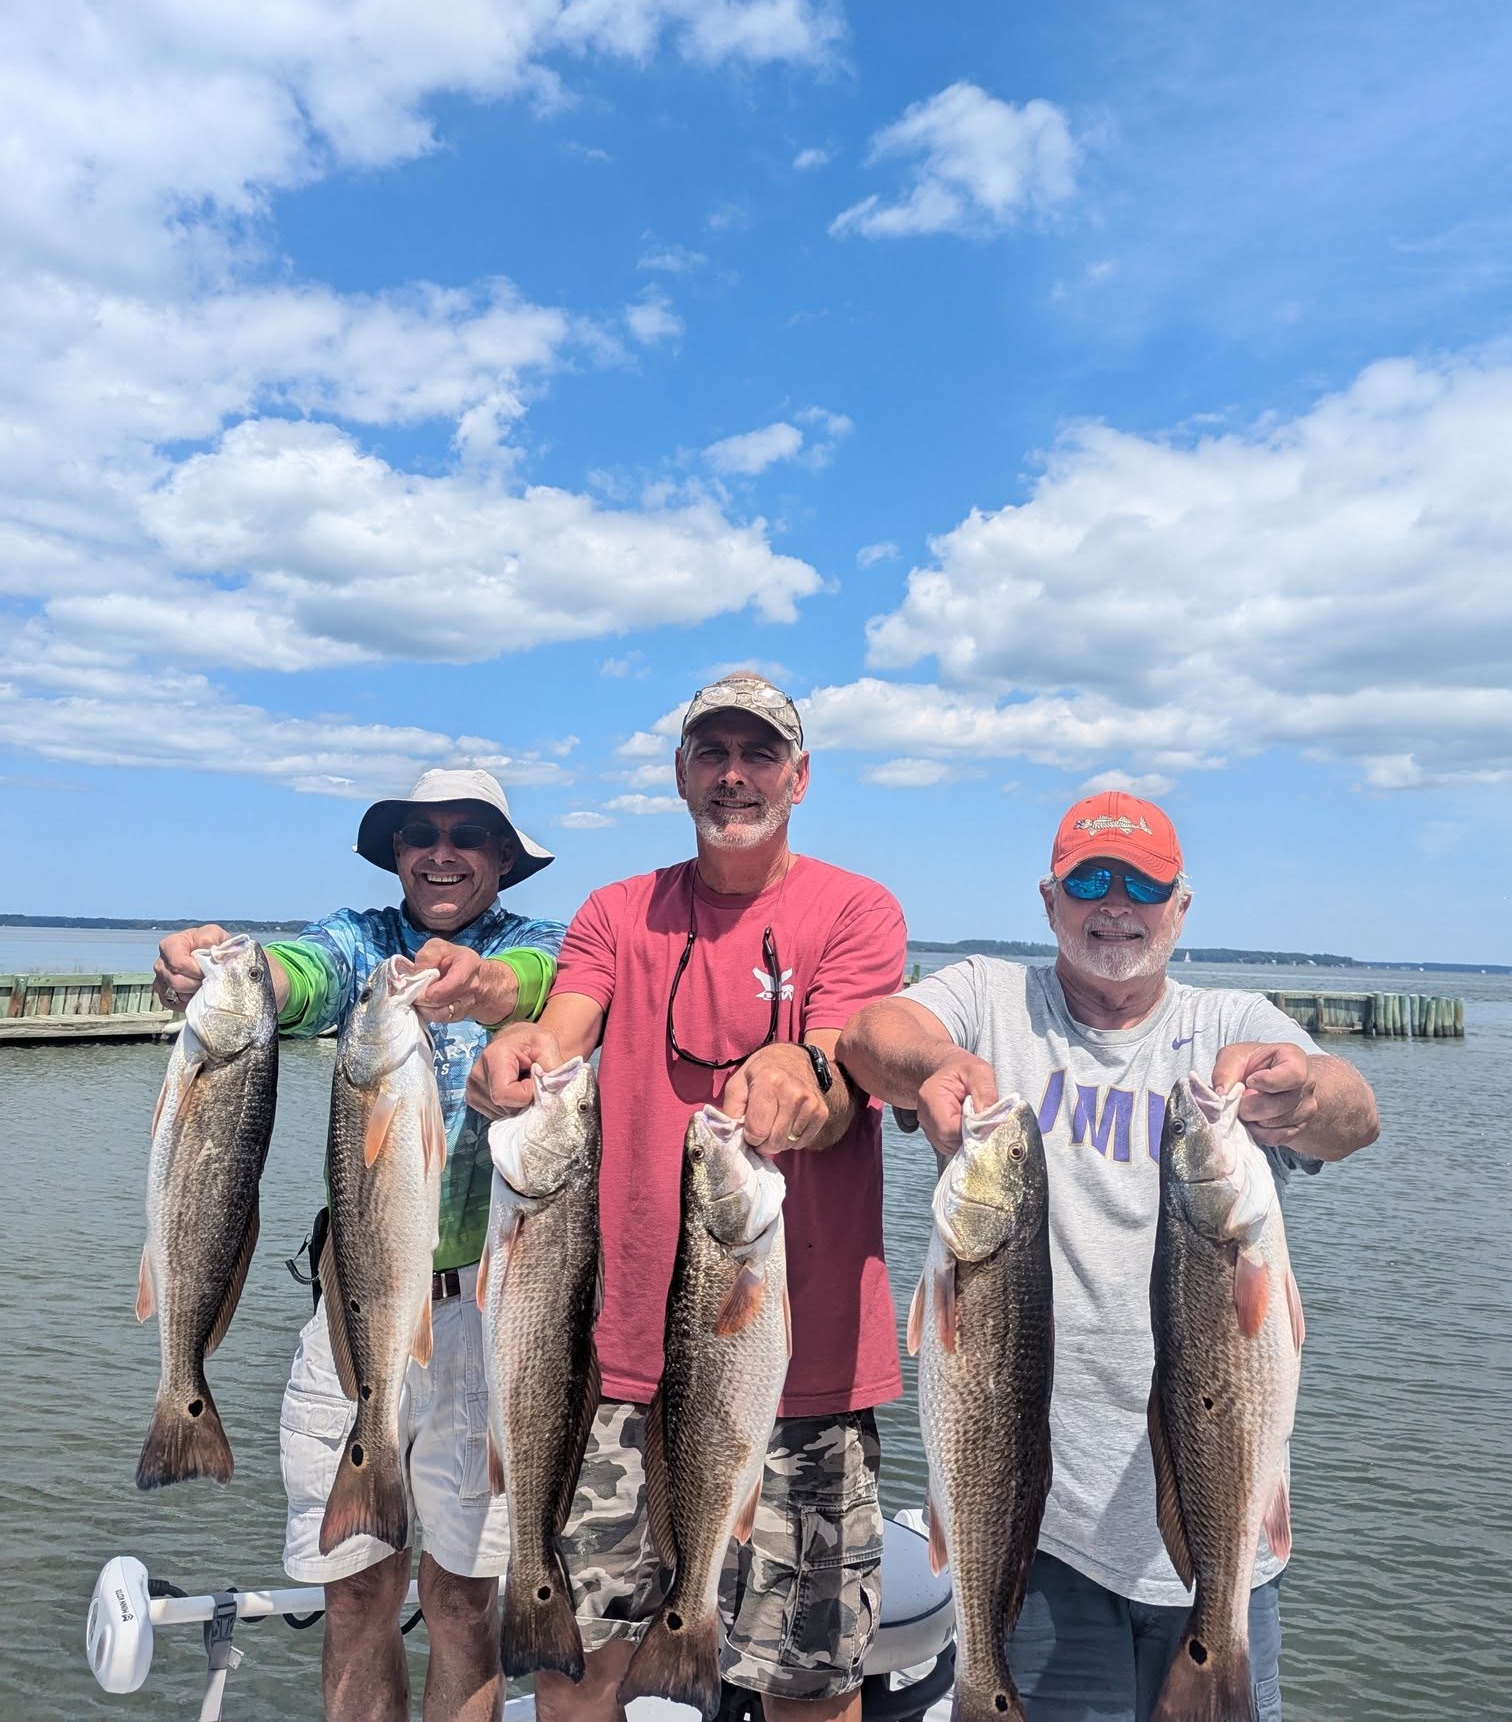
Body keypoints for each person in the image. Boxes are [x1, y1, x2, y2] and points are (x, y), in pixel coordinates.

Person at [837, 789, 1379, 1722]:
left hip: (1224, 1536)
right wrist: (931, 1068)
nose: (1115, 903)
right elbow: (867, 1033)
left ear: (1181, 907)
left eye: (1143, 883)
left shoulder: (1229, 1024)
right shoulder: (990, 996)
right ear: (1049, 901)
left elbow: (1353, 1114)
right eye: (1090, 880)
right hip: (1040, 1534)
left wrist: (1305, 1099)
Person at [470, 672, 907, 1722]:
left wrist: (807, 1075)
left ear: (799, 777)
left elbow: (843, 1069)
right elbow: (568, 1022)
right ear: (679, 775)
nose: (735, 775)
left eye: (760, 754)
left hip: (799, 1370)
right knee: (579, 1675)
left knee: (809, 1686)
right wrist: (525, 1052)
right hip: (611, 1359)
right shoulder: (619, 910)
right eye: (712, 753)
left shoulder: (857, 909)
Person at [153, 767, 565, 1722]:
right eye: (420, 834)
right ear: (396, 856)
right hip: (354, 1311)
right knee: (355, 1596)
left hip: (492, 1322)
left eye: (468, 834)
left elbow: (549, 981)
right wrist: (226, 968)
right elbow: (305, 974)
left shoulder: (543, 947)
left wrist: (491, 988)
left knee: (465, 1603)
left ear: (504, 859)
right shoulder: (364, 943)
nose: (442, 851)